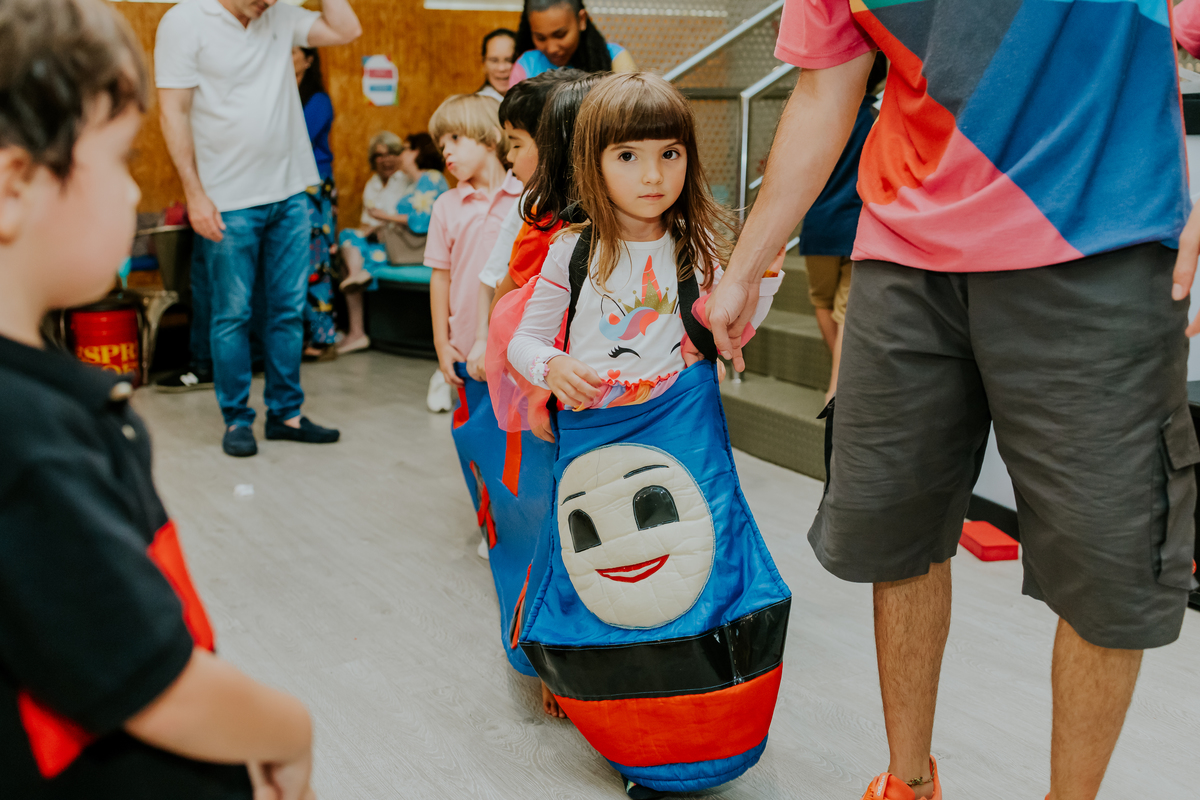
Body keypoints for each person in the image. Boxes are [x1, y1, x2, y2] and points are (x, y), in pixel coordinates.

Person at [706, 2, 1199, 799]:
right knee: (894, 529)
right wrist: (745, 266)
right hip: (904, 249)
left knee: (1108, 562)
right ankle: (909, 781)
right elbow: (827, 88)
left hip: (1098, 241)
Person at [0, 1, 316, 797]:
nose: (133, 186)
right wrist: (291, 731)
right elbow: (154, 686)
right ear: (14, 186)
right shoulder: (25, 434)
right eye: (119, 159)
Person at [506, 72, 783, 799]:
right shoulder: (572, 250)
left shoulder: (701, 248)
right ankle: (597, 697)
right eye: (628, 156)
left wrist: (761, 278)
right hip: (595, 432)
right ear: (593, 160)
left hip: (682, 428)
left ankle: (696, 732)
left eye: (670, 154)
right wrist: (554, 365)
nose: (652, 174)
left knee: (691, 564)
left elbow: (737, 319)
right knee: (598, 570)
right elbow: (525, 343)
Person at [155, 0, 360, 457]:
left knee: (287, 311)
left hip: (289, 193)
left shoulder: (279, 14)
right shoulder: (184, 21)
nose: (267, 1)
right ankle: (236, 420)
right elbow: (173, 113)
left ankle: (285, 414)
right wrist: (194, 194)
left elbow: (346, 29)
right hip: (227, 200)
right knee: (232, 314)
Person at [468, 68, 589, 382]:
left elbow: (504, 304)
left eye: (516, 144)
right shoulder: (540, 214)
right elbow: (508, 298)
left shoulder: (547, 220)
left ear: (556, 147)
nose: (508, 156)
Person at [798, 52, 885, 402]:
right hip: (856, 228)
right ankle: (840, 383)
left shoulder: (820, 121)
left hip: (818, 227)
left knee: (821, 301)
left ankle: (838, 382)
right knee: (847, 309)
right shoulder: (877, 120)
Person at [426, 94, 523, 392]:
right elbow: (440, 277)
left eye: (455, 138)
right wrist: (441, 344)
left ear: (492, 138)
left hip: (520, 341)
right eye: (442, 145)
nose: (447, 152)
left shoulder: (526, 196)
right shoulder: (445, 204)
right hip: (467, 343)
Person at [338, 133, 449, 354]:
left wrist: (383, 218)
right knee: (348, 239)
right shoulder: (419, 181)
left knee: (354, 246)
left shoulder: (432, 177)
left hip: (418, 247)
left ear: (417, 152)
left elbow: (423, 220)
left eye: (404, 149)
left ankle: (362, 274)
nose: (400, 156)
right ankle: (359, 276)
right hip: (404, 244)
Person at [293, 45, 339, 362]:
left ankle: (324, 337)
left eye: (293, 51)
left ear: (309, 60)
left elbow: (298, 138)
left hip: (313, 186)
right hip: (287, 186)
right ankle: (301, 334)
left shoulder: (318, 101)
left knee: (316, 262)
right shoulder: (281, 92)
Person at [509, 0, 636, 86]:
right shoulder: (525, 65)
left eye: (560, 35)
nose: (551, 48)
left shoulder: (616, 59)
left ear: (581, 20)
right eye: (540, 38)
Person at [477, 28, 516, 102]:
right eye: (494, 60)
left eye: (510, 60)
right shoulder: (474, 107)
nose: (501, 68)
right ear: (484, 63)